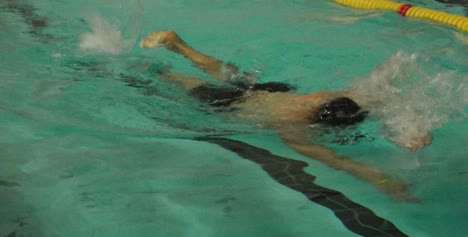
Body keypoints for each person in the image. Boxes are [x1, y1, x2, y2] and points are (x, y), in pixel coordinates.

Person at [140, 31, 432, 202]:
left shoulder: (310, 114)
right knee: (198, 78)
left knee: (216, 75)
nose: (315, 96)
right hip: (246, 101)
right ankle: (171, 57)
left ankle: (175, 50)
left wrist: (387, 169)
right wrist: (405, 131)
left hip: (255, 96)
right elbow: (342, 160)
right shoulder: (300, 123)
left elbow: (340, 159)